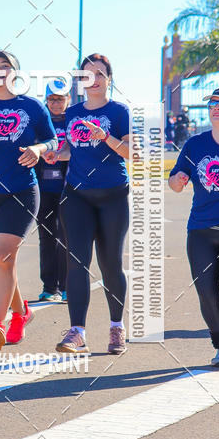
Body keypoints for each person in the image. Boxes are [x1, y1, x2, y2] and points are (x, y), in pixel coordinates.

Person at [0, 50, 57, 350]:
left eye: (5, 66)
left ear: (16, 72)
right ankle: (23, 312)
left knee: (4, 258)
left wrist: (40, 150)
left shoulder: (31, 106)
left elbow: (52, 139)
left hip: (21, 191)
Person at [44, 53, 131, 355]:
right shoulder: (72, 112)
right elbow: (72, 149)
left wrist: (106, 136)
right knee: (76, 262)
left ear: (109, 79)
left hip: (113, 197)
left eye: (100, 73)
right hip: (77, 195)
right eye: (87, 74)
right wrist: (55, 153)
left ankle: (117, 327)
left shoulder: (120, 112)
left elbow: (130, 152)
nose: (93, 79)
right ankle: (77, 331)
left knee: (110, 265)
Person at [169, 86, 219, 366]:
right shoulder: (195, 145)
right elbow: (174, 181)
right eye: (212, 104)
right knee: (207, 292)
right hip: (201, 231)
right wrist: (178, 180)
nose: (216, 108)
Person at [36, 79, 70, 302]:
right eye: (52, 99)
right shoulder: (40, 121)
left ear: (68, 99)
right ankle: (50, 287)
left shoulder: (73, 121)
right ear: (46, 100)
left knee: (67, 237)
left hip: (68, 189)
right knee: (47, 237)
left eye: (60, 99)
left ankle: (67, 285)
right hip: (43, 188)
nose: (56, 103)